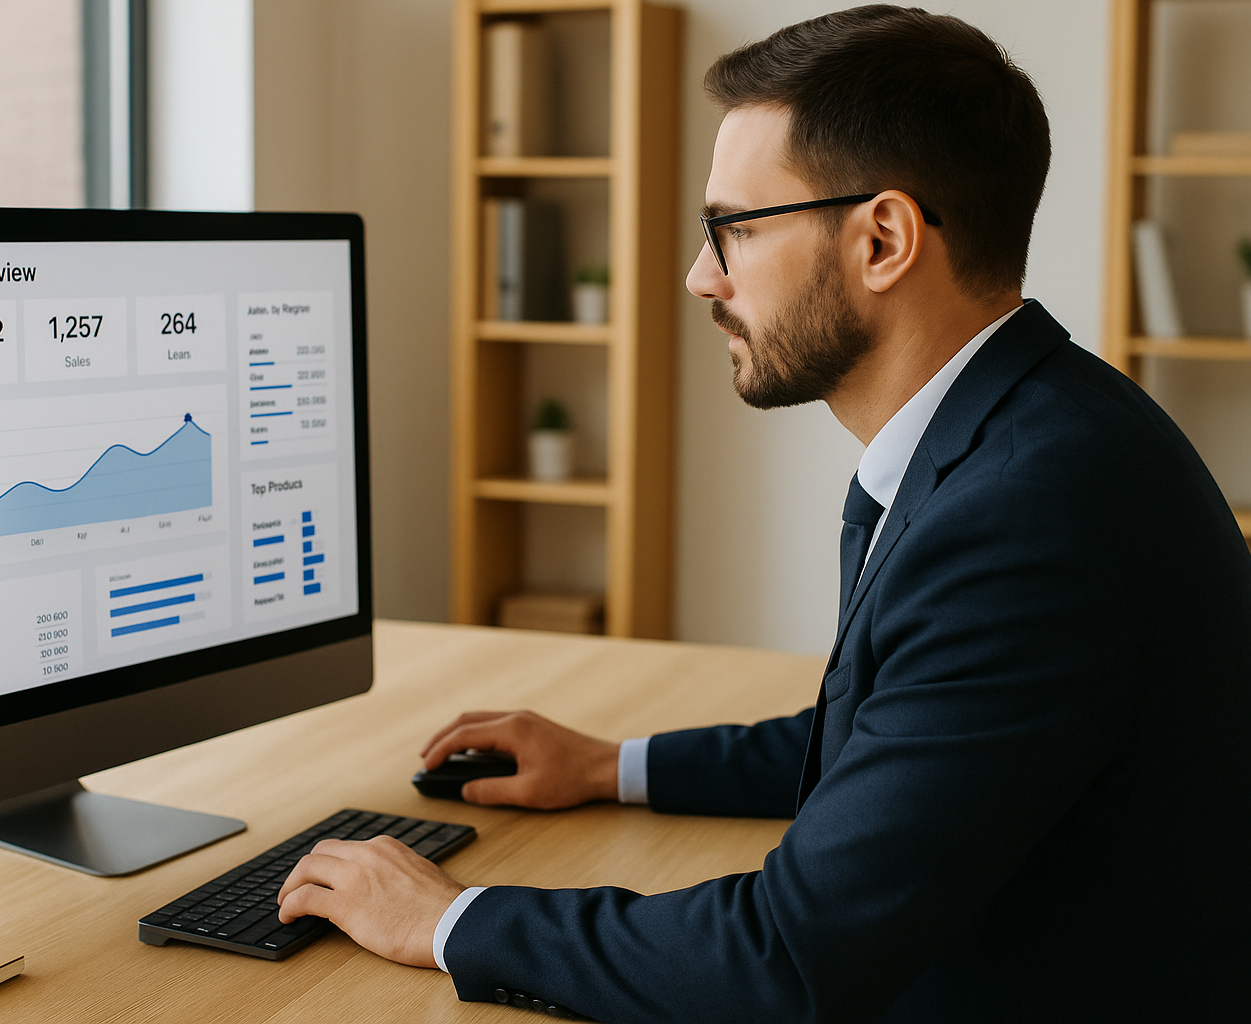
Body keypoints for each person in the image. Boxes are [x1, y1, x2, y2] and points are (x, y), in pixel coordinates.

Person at [276, 6, 1251, 1020]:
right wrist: (614, 766)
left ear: (883, 238)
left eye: (732, 228)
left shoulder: (1025, 518)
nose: (703, 274)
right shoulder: (1029, 425)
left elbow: (782, 960)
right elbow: (892, 736)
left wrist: (448, 919)